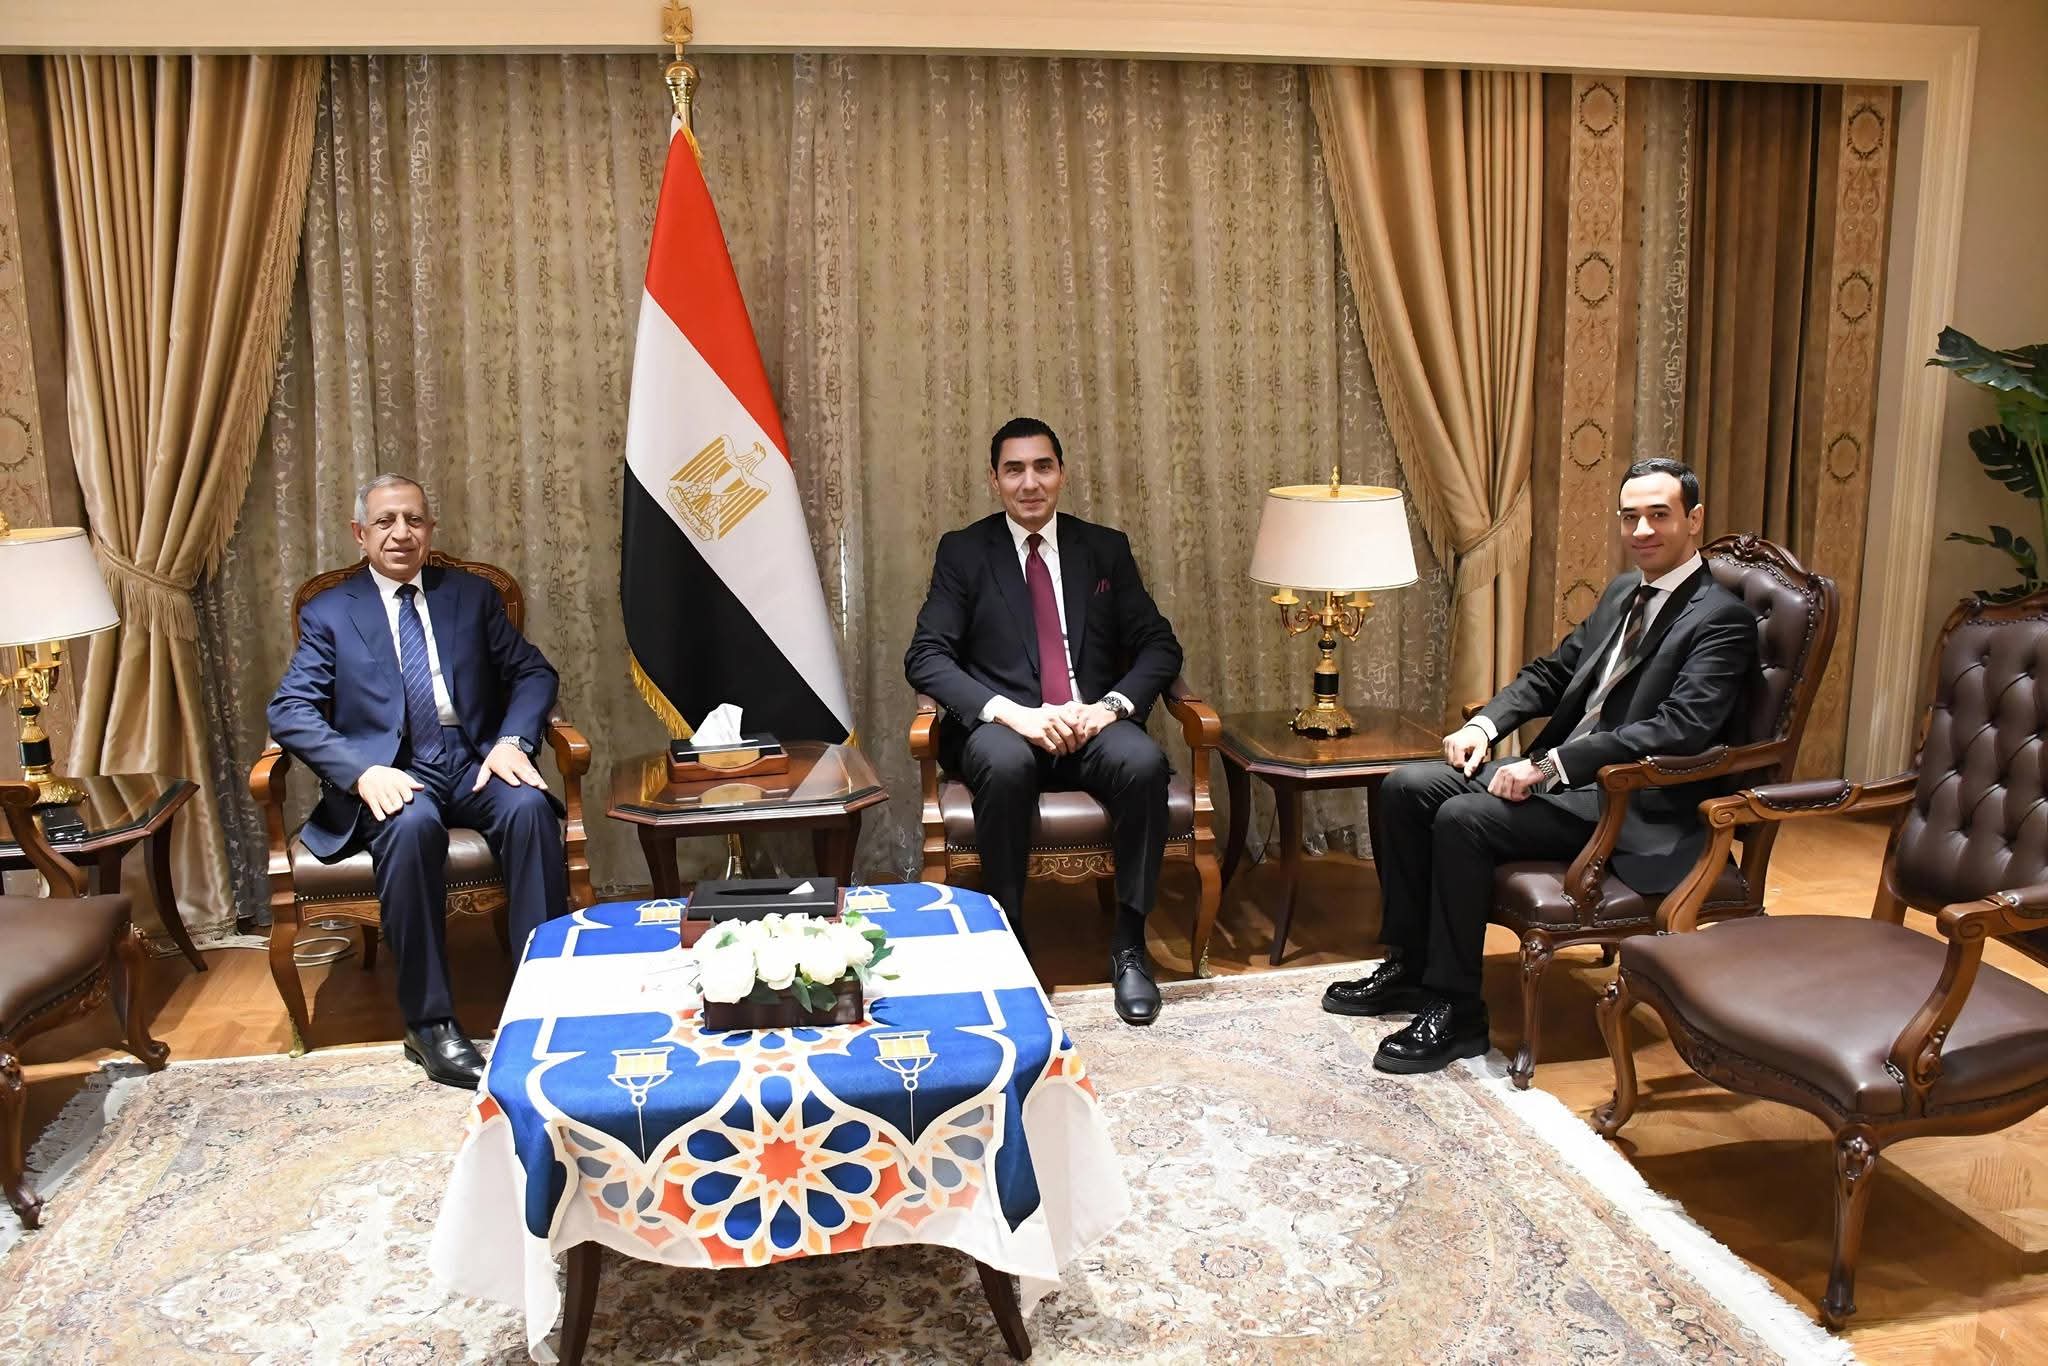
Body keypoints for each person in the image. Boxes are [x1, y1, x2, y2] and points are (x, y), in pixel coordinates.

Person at [1323, 457, 1758, 1074]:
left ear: (1694, 520)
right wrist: (1484, 726)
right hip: (1566, 781)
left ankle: (1458, 1013)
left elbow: (1678, 729)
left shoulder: (1722, 618)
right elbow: (1552, 674)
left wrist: (1552, 765)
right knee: (1404, 786)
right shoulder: (1623, 593)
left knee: (1463, 818)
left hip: (1630, 803)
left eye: (1659, 515)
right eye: (1630, 517)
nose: (1641, 530)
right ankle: (1410, 968)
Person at [268, 474, 567, 1088]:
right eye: (385, 522)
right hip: (393, 769)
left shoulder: (471, 597)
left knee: (530, 809)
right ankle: (430, 1025)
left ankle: (543, 1003)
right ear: (360, 534)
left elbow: (533, 673)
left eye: (414, 520)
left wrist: (513, 741)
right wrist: (361, 772)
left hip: (475, 758)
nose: (401, 533)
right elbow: (290, 709)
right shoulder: (332, 612)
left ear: (430, 530)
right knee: (409, 826)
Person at [906, 417, 1184, 1025]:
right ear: (994, 479)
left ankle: (1130, 945)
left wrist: (1110, 707)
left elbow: (1159, 645)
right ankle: (1010, 942)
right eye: (1014, 470)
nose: (1029, 483)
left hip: (1090, 722)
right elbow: (926, 656)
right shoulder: (964, 552)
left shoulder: (1104, 548)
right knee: (1004, 764)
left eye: (1042, 467)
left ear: (1061, 473)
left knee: (1143, 763)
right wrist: (1013, 716)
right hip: (1008, 728)